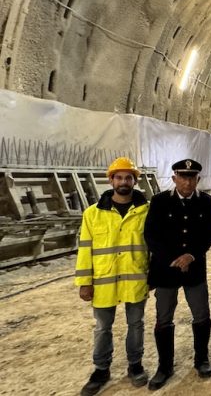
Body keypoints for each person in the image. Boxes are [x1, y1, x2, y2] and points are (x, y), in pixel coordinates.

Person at [76, 157, 150, 396]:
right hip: (104, 281)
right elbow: (85, 249)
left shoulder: (145, 212)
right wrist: (84, 282)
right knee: (102, 327)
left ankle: (135, 365)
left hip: (135, 278)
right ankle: (101, 369)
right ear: (111, 180)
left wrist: (153, 277)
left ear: (135, 181)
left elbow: (153, 247)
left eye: (128, 177)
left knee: (136, 324)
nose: (124, 181)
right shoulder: (92, 214)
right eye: (119, 177)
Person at [144, 159, 211, 390]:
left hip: (194, 268)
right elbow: (151, 236)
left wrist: (191, 256)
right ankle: (165, 366)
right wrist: (173, 259)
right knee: (164, 317)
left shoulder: (207, 203)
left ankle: (201, 359)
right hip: (166, 270)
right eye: (183, 177)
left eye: (192, 177)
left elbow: (209, 234)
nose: (187, 181)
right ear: (174, 178)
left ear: (198, 179)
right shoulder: (159, 202)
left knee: (201, 314)